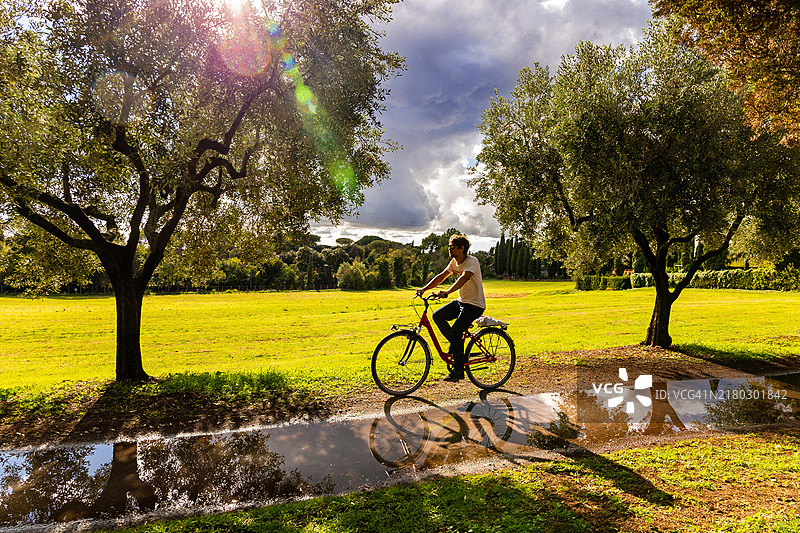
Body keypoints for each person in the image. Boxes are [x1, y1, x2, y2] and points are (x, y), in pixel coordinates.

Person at [416, 234, 485, 382]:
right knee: (437, 316)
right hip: (462, 301)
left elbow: (464, 278)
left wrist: (447, 292)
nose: (450, 248)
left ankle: (459, 371)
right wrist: (424, 289)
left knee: (455, 332)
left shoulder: (472, 261)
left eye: (452, 246)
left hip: (475, 305)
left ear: (461, 248)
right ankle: (456, 346)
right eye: (450, 246)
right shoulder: (454, 262)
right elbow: (441, 276)